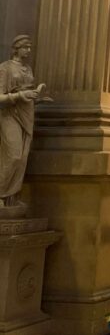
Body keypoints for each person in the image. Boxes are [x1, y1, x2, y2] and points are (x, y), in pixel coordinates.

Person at [0, 36, 47, 207]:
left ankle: (11, 197)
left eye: (30, 47)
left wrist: (37, 98)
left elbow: (27, 95)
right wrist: (21, 95)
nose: (28, 50)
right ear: (16, 48)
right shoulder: (5, 68)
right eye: (25, 47)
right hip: (9, 115)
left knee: (22, 158)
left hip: (26, 114)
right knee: (13, 155)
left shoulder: (28, 68)